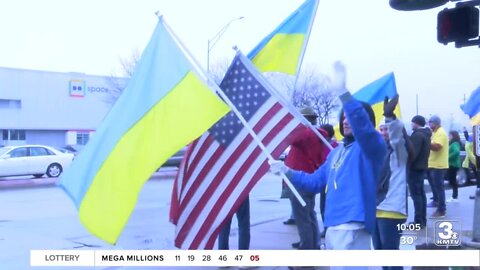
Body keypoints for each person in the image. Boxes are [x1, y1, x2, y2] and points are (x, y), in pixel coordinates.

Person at [270, 62, 387, 259]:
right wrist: (286, 170)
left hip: (353, 225)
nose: (345, 121)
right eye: (343, 118)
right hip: (332, 226)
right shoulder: (336, 152)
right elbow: (314, 182)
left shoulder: (371, 147)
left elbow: (363, 127)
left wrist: (343, 94)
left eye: (350, 117)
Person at [284, 106, 329, 250]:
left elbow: (288, 137)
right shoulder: (316, 134)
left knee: (303, 219)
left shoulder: (306, 133)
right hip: (308, 180)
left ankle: (307, 250)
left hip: (300, 181)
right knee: (309, 216)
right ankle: (312, 243)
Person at [373, 95, 408, 270]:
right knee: (381, 253)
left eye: (387, 129)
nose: (385, 132)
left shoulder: (400, 152)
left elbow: (397, 138)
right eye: (382, 129)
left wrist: (390, 117)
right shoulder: (379, 152)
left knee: (390, 254)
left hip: (392, 210)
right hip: (376, 209)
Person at [407, 115, 431, 228]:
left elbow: (412, 154)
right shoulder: (426, 134)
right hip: (421, 168)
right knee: (421, 194)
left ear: (416, 123)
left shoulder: (417, 136)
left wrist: (406, 165)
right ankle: (422, 220)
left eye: (412, 122)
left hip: (415, 169)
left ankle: (418, 221)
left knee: (416, 195)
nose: (411, 124)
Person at [426, 115, 449, 218]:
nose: (429, 125)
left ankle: (442, 210)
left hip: (439, 166)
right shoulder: (434, 133)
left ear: (436, 123)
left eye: (430, 123)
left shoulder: (441, 133)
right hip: (433, 164)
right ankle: (436, 202)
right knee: (435, 187)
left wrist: (425, 141)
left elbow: (437, 147)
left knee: (439, 188)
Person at [319, 123, 338, 226]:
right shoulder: (320, 146)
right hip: (324, 180)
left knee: (328, 205)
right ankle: (326, 226)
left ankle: (329, 226)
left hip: (332, 181)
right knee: (323, 206)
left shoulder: (336, 147)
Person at [463, 129, 480, 199]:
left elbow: (469, 147)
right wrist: (465, 132)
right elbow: (468, 139)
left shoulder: (476, 139)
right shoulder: (472, 137)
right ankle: (478, 193)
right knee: (478, 178)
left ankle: (478, 194)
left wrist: (475, 161)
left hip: (476, 161)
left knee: (478, 178)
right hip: (474, 162)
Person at [446, 130, 461, 202]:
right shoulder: (452, 143)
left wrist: (448, 157)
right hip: (452, 164)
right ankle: (454, 196)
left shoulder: (454, 143)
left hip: (453, 164)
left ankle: (455, 197)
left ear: (453, 136)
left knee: (452, 180)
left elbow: (456, 152)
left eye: (450, 135)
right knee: (452, 180)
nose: (448, 137)